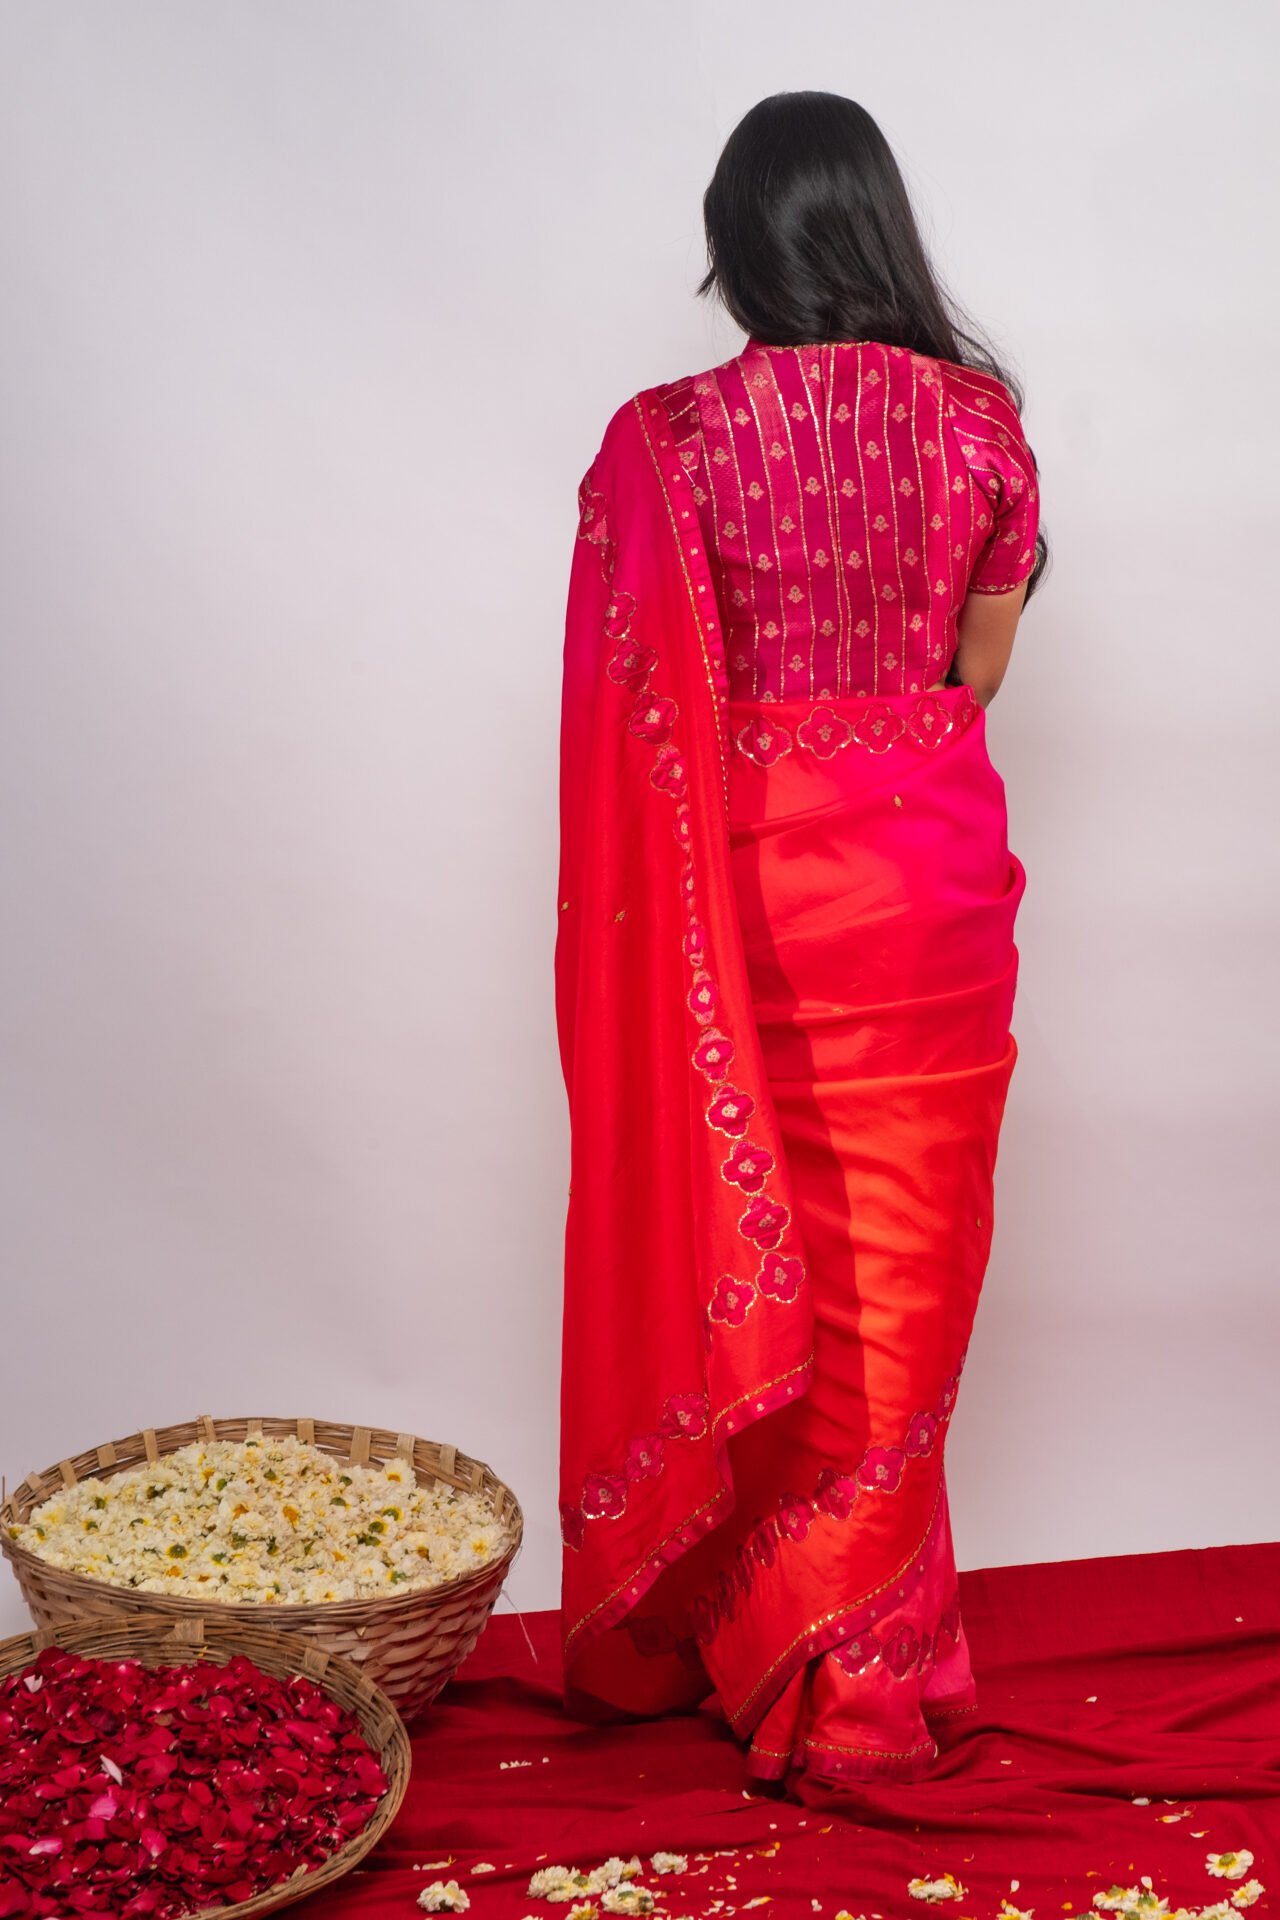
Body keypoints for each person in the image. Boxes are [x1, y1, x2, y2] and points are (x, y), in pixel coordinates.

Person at [554, 89, 1047, 1802]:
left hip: (741, 901)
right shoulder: (982, 429)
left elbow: (636, 698)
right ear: (878, 229)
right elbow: (975, 675)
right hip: (922, 890)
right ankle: (856, 1674)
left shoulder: (668, 442)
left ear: (737, 245)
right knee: (900, 1284)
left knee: (758, 1243)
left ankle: (772, 1641)